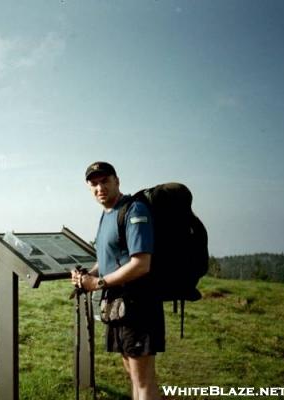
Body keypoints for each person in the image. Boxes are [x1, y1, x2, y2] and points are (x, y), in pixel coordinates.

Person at [71, 161, 164, 400]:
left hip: (138, 305)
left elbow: (141, 264)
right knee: (134, 376)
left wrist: (98, 284)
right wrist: (88, 275)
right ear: (88, 187)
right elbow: (108, 257)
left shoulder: (134, 210)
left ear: (117, 181)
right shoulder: (107, 214)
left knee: (143, 382)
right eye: (94, 183)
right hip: (118, 307)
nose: (99, 187)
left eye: (105, 181)